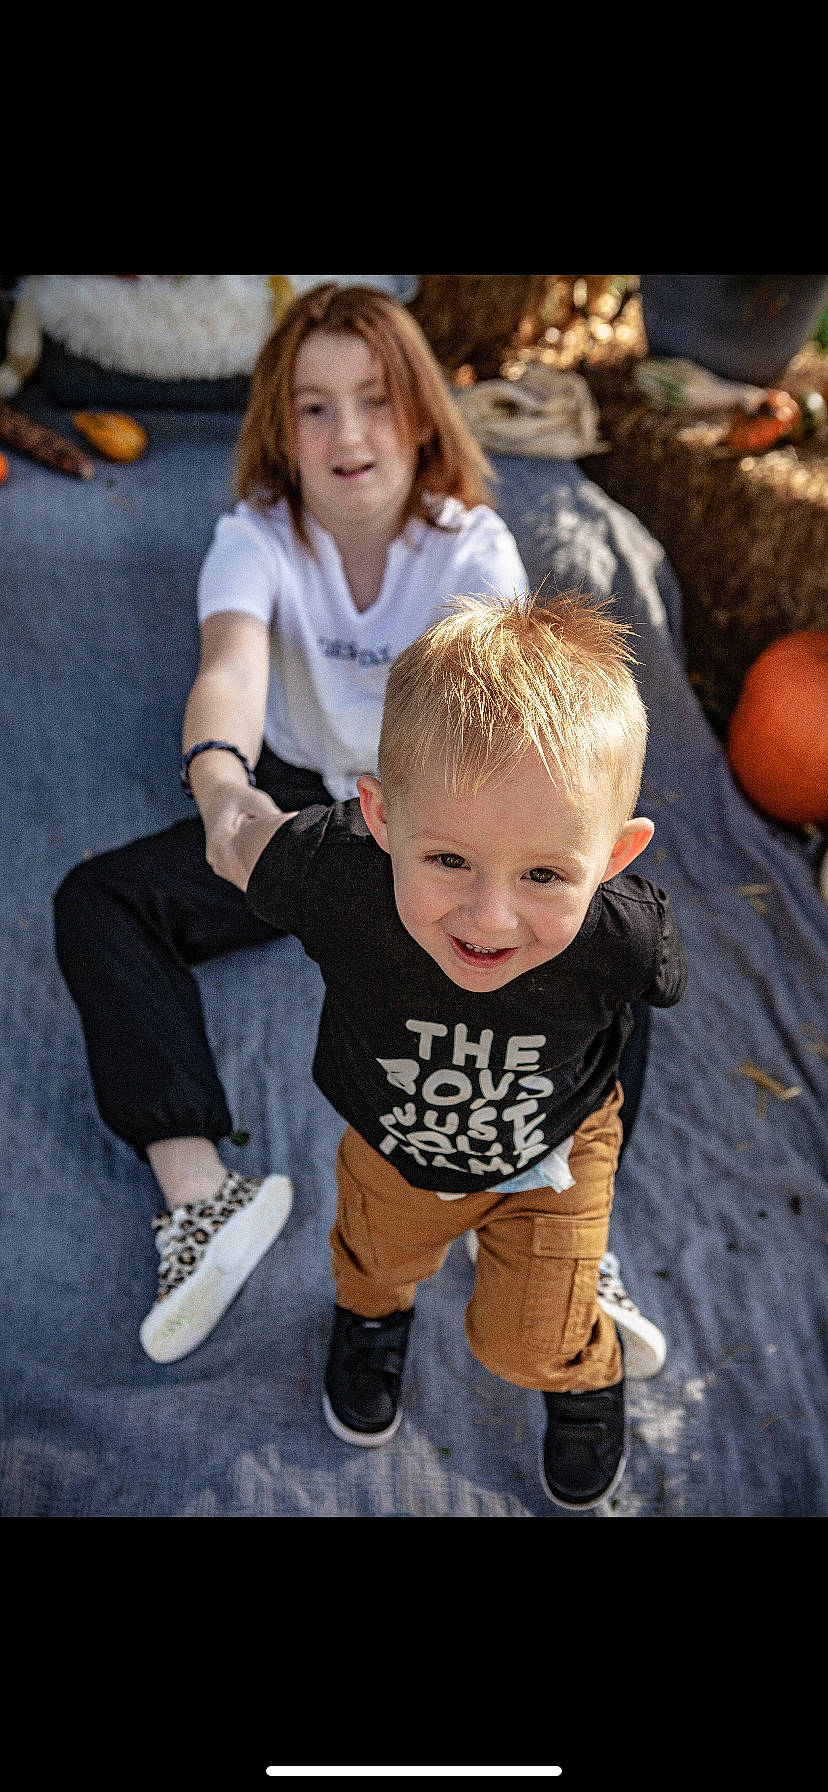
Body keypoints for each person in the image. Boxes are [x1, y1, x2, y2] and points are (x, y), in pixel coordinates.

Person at [53, 280, 664, 1384]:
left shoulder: (469, 549)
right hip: (302, 797)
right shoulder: (255, 537)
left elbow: (499, 728)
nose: (348, 435)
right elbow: (229, 665)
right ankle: (201, 1193)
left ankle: (572, 1206)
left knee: (610, 933)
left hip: (435, 816)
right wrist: (222, 785)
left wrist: (450, 850)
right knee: (99, 898)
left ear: (421, 414)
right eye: (315, 407)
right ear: (279, 431)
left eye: (376, 400)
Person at [230, 589, 689, 1510]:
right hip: (393, 1142)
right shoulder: (332, 874)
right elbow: (240, 843)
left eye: (544, 874)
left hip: (553, 1152)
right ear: (380, 818)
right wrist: (217, 786)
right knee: (374, 1260)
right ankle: (372, 1323)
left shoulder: (627, 938)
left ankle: (584, 1365)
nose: (490, 917)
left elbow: (652, 998)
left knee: (527, 1338)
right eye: (448, 861)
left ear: (614, 858)